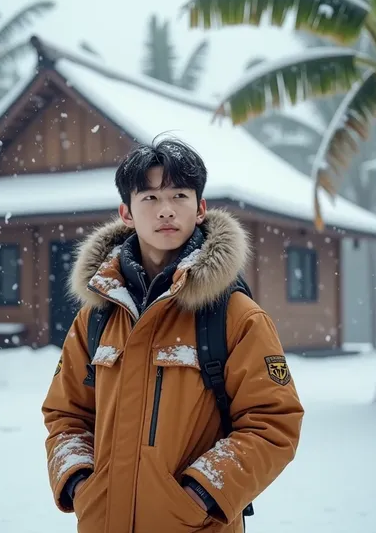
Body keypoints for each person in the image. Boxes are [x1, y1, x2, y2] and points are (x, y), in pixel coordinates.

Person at [41, 138, 304, 533]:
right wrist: (81, 484)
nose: (165, 210)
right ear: (126, 213)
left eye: (179, 195)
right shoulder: (96, 316)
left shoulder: (235, 315)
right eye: (148, 197)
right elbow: (66, 414)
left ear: (199, 209)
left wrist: (200, 494)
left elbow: (273, 422)